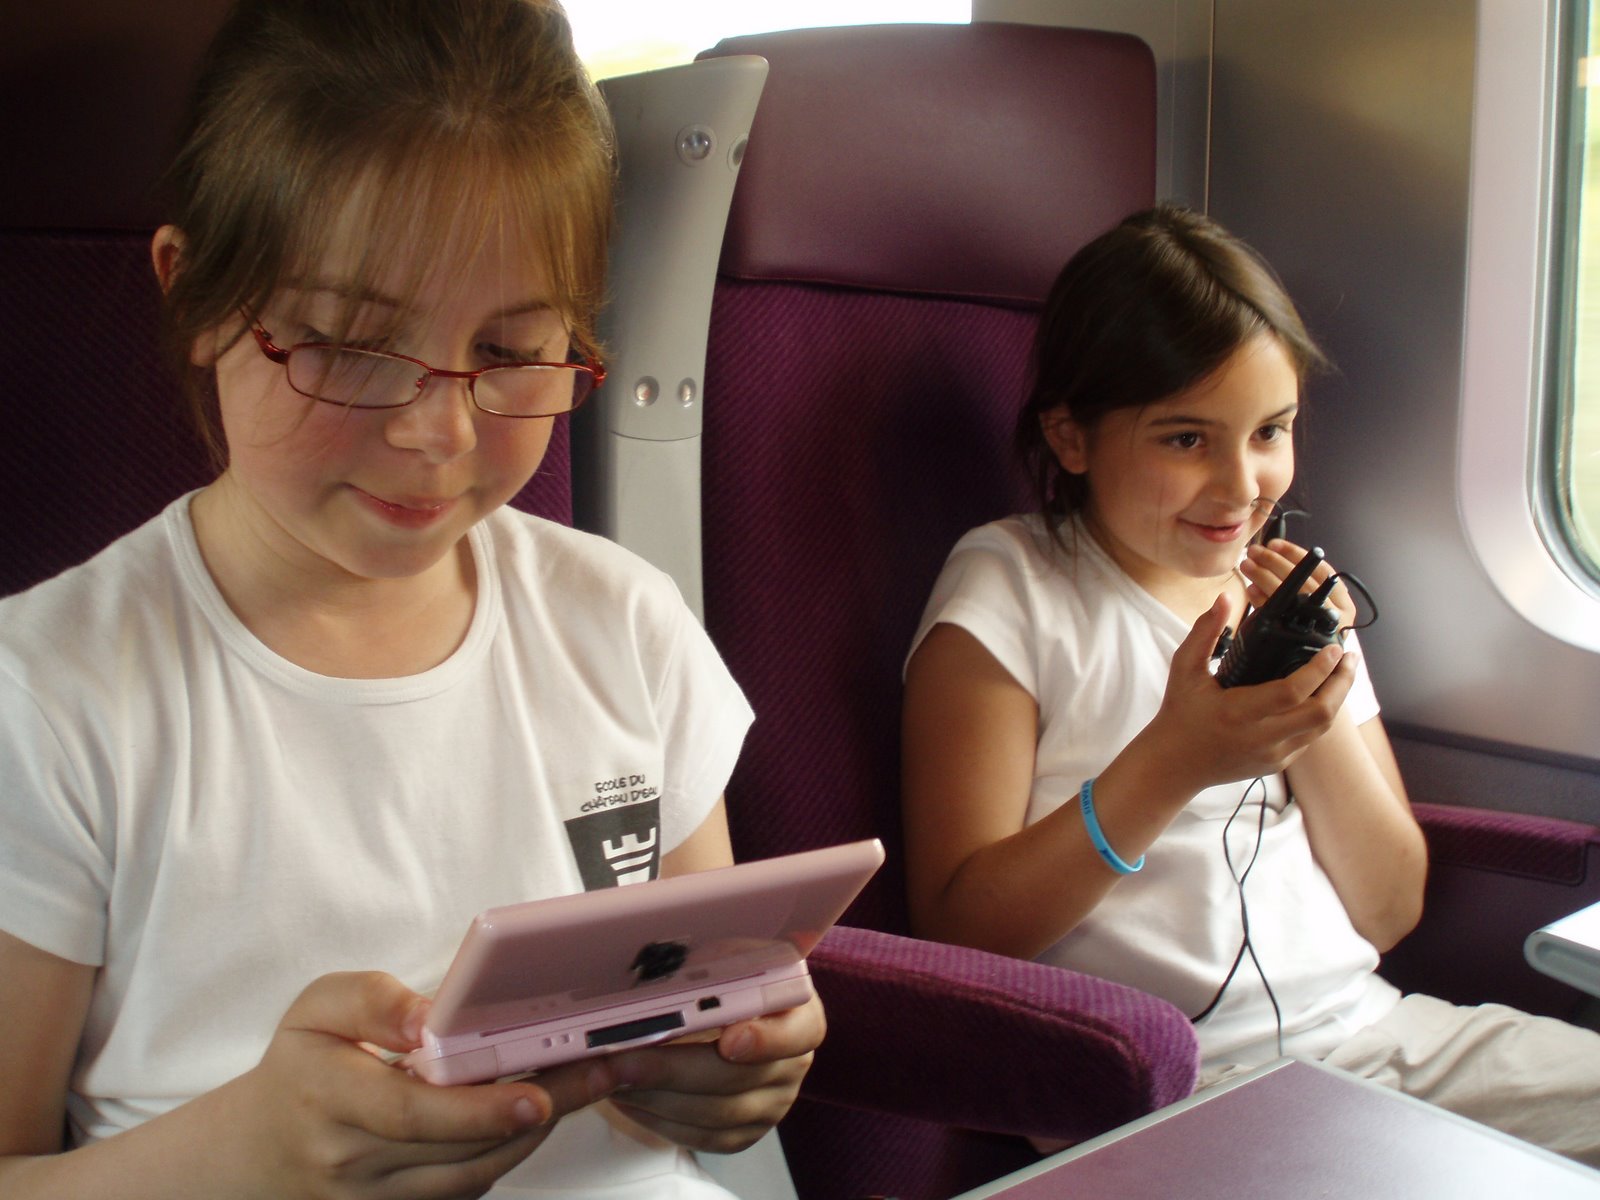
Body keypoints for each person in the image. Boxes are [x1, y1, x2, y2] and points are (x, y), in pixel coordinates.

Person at [0, 2, 821, 1196]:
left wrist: (735, 1069)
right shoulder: (49, 700)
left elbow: (703, 1004)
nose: (438, 434)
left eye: (509, 353)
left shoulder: (626, 628)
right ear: (195, 299)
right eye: (348, 345)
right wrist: (244, 1155)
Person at [901, 203, 1600, 1165]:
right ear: (1071, 437)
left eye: (1270, 431)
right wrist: (1176, 760)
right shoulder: (1015, 586)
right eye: (1186, 440)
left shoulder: (1287, 594)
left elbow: (1388, 909)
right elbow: (961, 932)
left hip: (1370, 1035)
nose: (1242, 486)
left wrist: (1313, 698)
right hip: (1161, 1093)